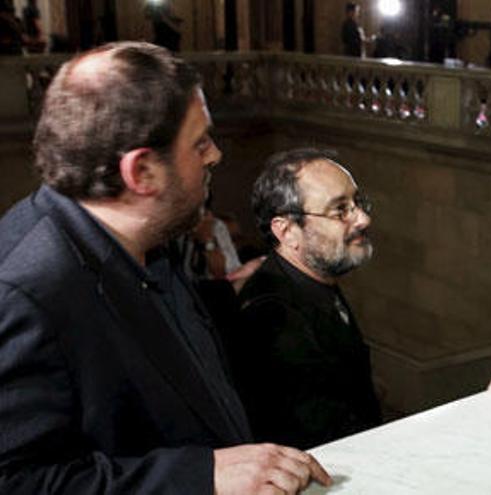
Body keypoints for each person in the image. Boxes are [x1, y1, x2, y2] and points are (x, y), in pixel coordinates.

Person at [0, 42, 330, 493]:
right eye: (200, 143)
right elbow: (19, 482)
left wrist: (233, 297)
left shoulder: (141, 229)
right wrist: (201, 476)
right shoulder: (25, 292)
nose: (215, 155)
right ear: (142, 173)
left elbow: (149, 339)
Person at [229, 149, 382, 449]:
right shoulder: (270, 316)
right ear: (287, 231)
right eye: (340, 210)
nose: (363, 219)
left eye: (357, 203)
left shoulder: (314, 278)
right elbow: (325, 438)